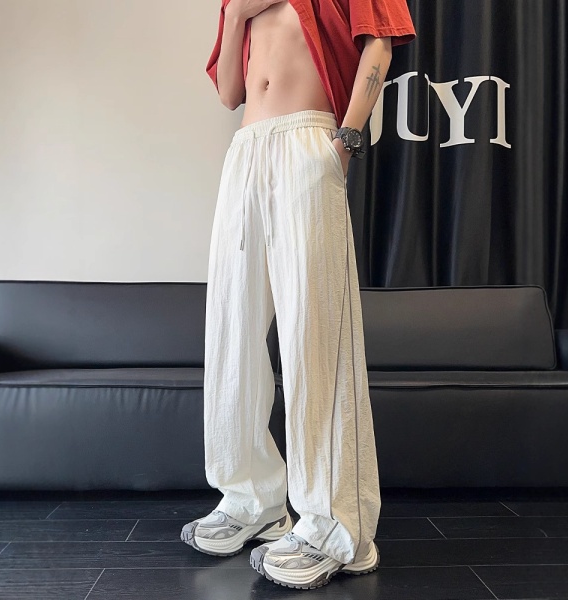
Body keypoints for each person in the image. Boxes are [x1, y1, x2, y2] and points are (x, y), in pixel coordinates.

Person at [181, 0, 416, 590]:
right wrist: (238, 14)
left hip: (309, 142)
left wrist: (345, 141)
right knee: (232, 330)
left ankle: (337, 527)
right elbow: (229, 94)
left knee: (316, 333)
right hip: (246, 151)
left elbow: (380, 44)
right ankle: (251, 498)